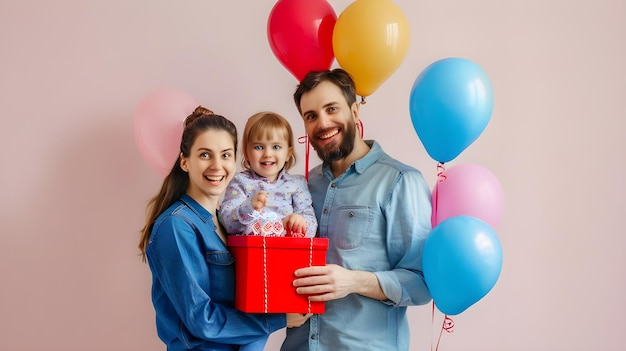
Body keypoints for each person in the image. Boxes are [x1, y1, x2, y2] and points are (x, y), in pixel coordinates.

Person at [280, 69, 433, 351]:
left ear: (354, 110)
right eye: (311, 116)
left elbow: (422, 283)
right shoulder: (301, 187)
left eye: (331, 109)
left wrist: (353, 281)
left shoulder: (400, 181)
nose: (322, 123)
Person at [138, 106, 309, 351]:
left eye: (226, 155)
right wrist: (279, 319)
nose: (218, 166)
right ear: (185, 162)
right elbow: (201, 320)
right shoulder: (176, 226)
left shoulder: (228, 223)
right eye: (205, 155)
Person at [219, 111, 317, 238]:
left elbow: (312, 225)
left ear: (288, 153)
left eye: (276, 147)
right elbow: (227, 223)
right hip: (252, 255)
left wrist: (300, 222)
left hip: (289, 254)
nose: (267, 154)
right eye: (259, 147)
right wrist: (248, 207)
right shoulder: (240, 181)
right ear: (246, 152)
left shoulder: (297, 184)